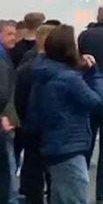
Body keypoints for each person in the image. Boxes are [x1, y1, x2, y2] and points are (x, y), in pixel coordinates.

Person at [29, 25, 103, 203]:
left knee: (60, 194)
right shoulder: (69, 78)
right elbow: (96, 103)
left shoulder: (44, 72)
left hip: (53, 143)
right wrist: (96, 75)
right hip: (70, 144)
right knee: (74, 194)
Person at [78, 4, 103, 203]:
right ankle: (102, 194)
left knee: (85, 143)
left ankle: (80, 189)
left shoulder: (85, 36)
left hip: (88, 92)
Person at [16, 24, 56, 204]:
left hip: (30, 127)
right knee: (54, 173)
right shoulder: (58, 69)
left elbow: (19, 99)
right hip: (52, 128)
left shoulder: (25, 67)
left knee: (32, 170)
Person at [0, 20, 23, 204]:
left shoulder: (6, 56)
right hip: (3, 119)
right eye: (9, 34)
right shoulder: (2, 59)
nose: (13, 37)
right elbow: (3, 91)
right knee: (7, 165)